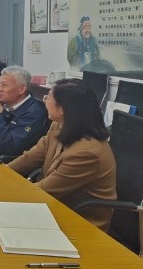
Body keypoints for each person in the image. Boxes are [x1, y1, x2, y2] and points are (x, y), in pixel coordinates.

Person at [8, 79, 116, 232]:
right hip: (52, 207)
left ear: (63, 109)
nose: (44, 101)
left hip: (79, 223)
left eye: (48, 97)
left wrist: (2, 193)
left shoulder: (87, 153)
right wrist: (1, 172)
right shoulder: (58, 126)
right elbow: (30, 158)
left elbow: (45, 190)